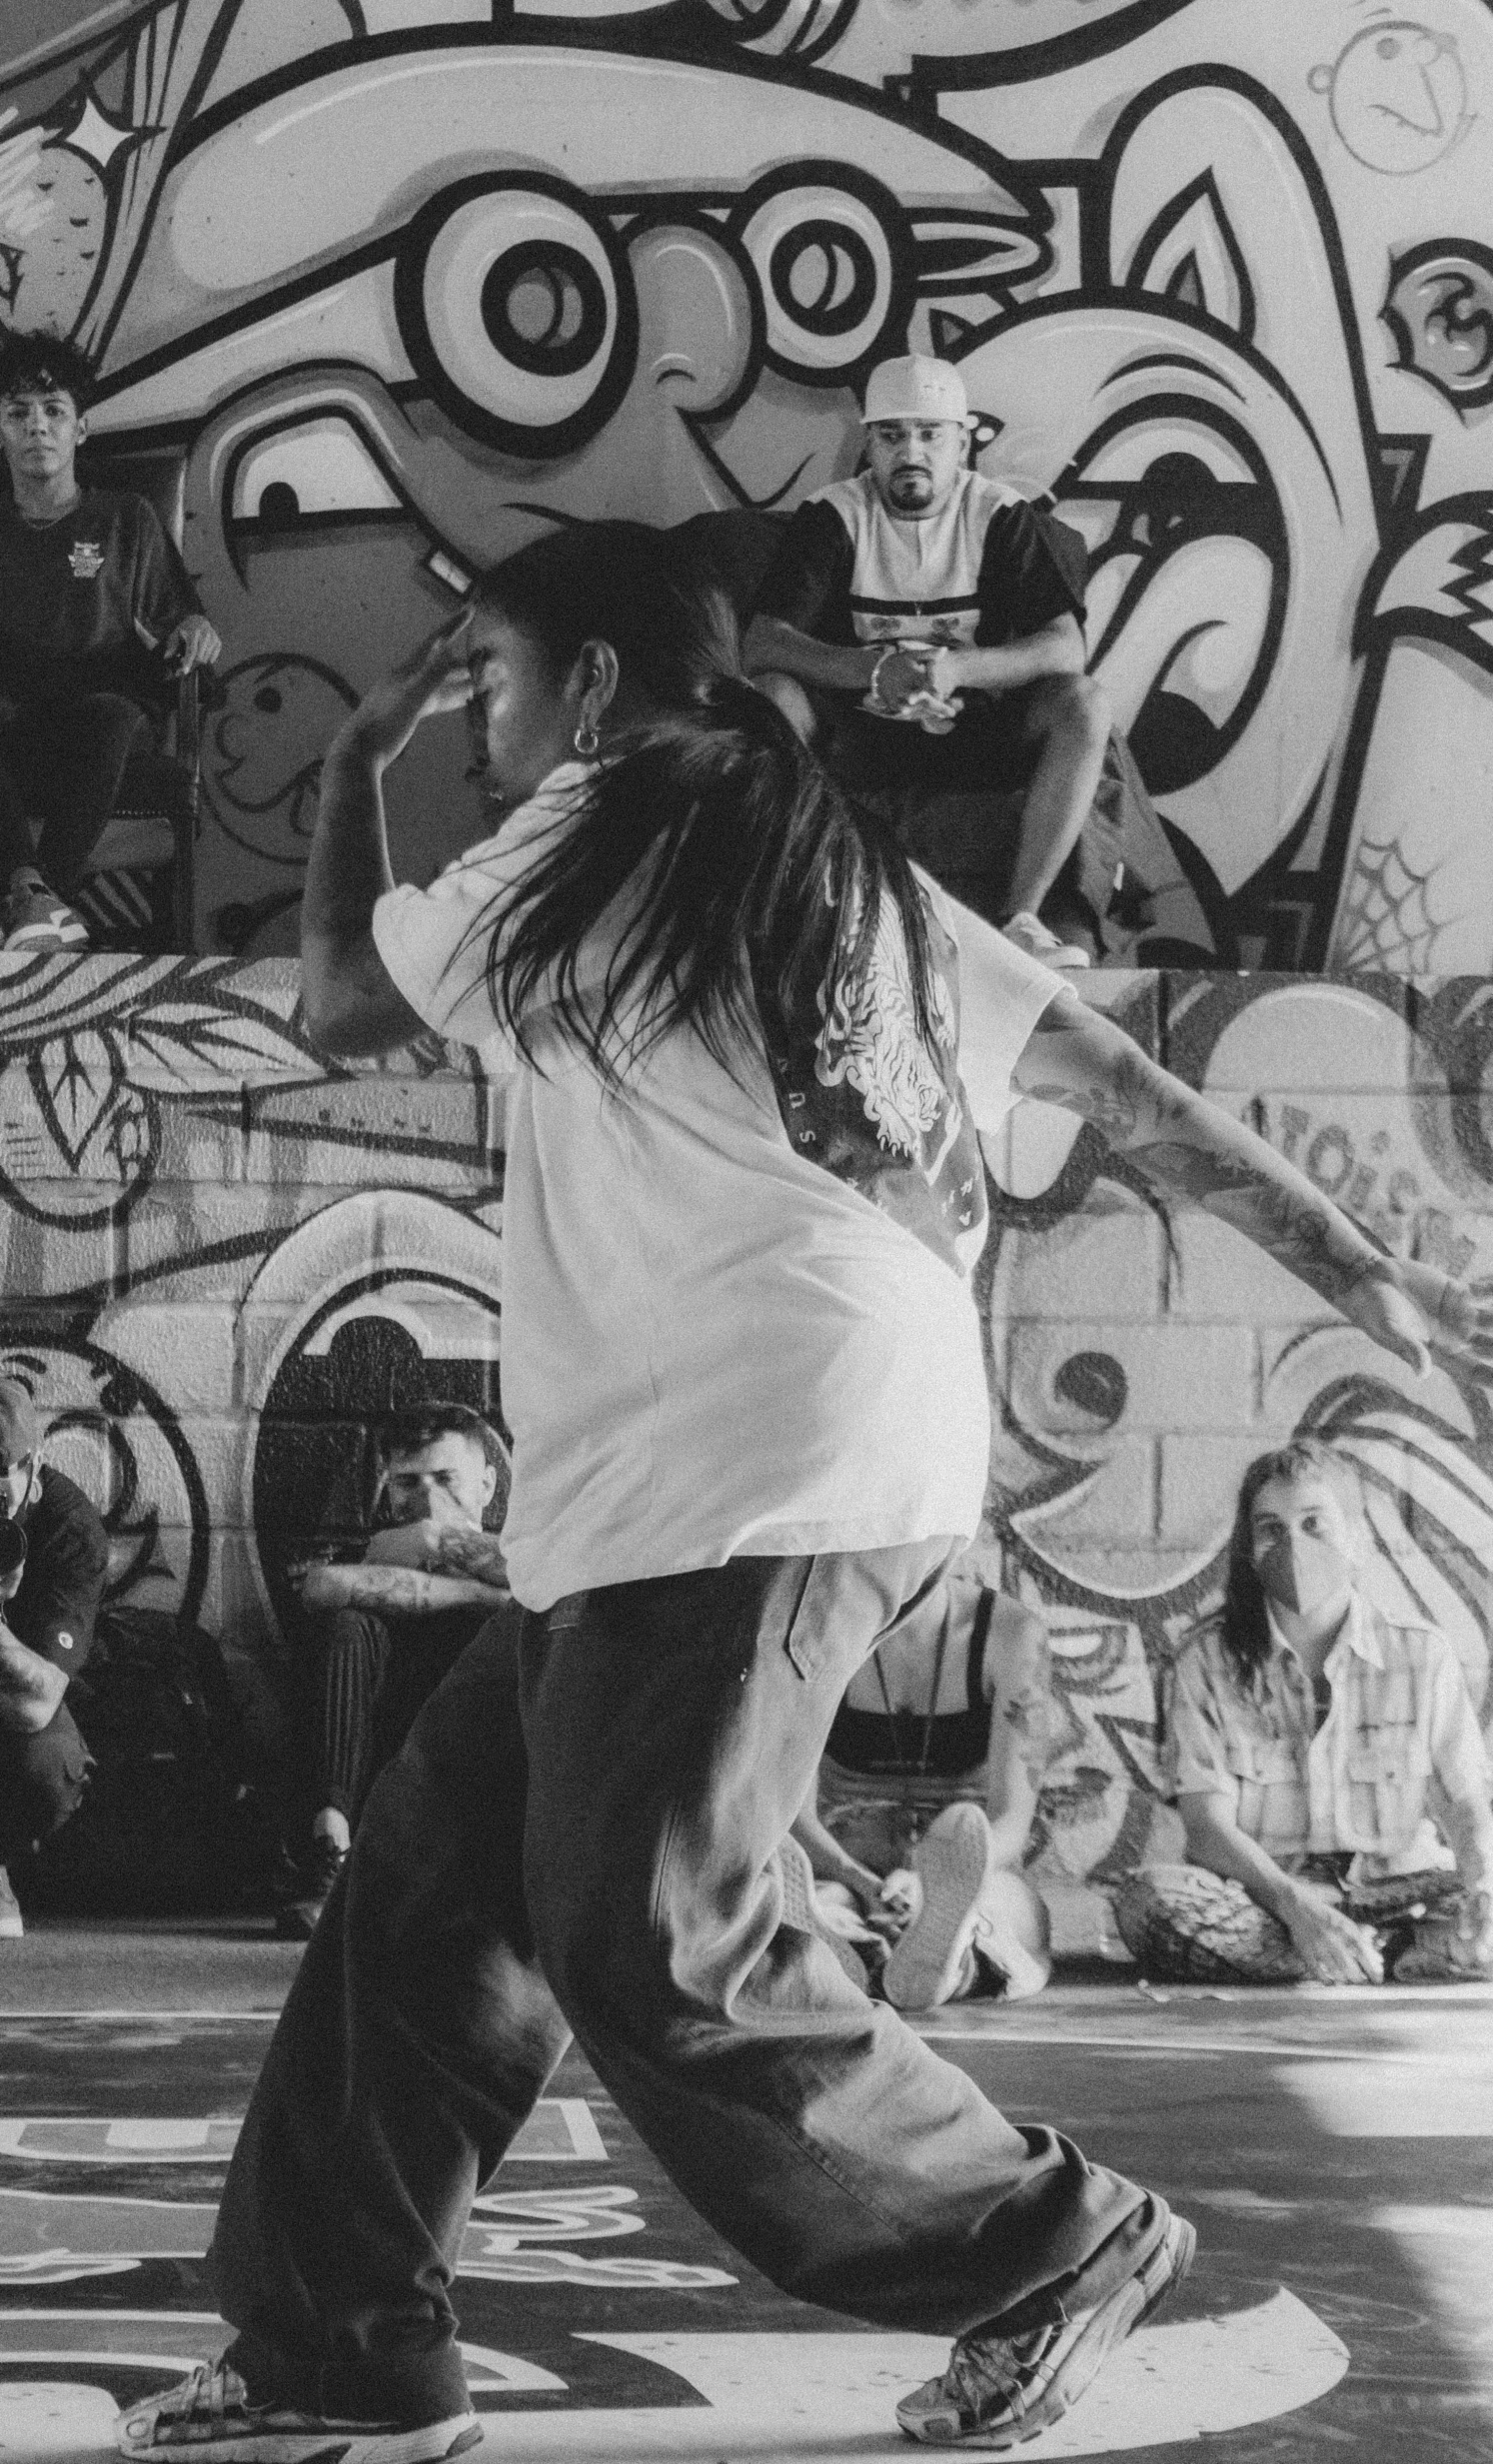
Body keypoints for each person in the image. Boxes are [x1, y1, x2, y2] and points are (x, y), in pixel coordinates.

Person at [116, 523, 1493, 2464]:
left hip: (737, 1459)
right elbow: (1134, 1088)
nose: (485, 732)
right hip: (781, 1454)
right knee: (429, 1891)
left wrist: (356, 770)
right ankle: (341, 2344)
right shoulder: (857, 871)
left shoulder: (584, 831)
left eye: (496, 684)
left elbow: (343, 997)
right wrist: (1376, 1272)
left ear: (590, 689)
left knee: (650, 1938)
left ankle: (1046, 2241)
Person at [744, 352, 1109, 969]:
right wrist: (871, 670)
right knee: (770, 695)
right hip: (861, 733)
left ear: (960, 445)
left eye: (929, 434)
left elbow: (1064, 645)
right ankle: (786, 911)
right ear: (870, 444)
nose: (910, 453)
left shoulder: (998, 515)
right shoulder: (835, 514)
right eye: (892, 436)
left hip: (976, 728)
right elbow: (762, 643)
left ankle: (1021, 919)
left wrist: (957, 668)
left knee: (1084, 700)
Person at [1115, 1439, 1493, 1987]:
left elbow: (1466, 1803)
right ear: (1249, 1548)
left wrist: (1481, 1891)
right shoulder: (1206, 1661)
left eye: (1314, 1524)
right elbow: (1206, 1829)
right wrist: (1297, 1909)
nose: (1293, 1545)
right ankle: (1390, 1957)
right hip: (1273, 1899)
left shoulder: (1422, 1654)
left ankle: (1360, 1952)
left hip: (1405, 1893)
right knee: (1148, 1901)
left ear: (1354, 1537)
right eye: (1271, 1529)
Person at [0, 329, 220, 952]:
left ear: (80, 430)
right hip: (14, 731)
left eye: (53, 412)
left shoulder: (126, 520)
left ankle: (34, 897)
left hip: (101, 731)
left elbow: (182, 620)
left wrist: (196, 627)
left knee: (115, 713)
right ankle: (38, 900)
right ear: (0, 430)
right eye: (17, 414)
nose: (37, 427)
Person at [277, 1406, 512, 1937]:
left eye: (445, 1478)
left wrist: (437, 1551)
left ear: (487, 1484)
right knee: (348, 1624)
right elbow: (321, 1587)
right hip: (378, 1757)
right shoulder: (365, 1553)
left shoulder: (523, 1552)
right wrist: (477, 1592)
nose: (426, 1498)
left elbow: (540, 1587)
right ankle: (330, 1851)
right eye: (407, 1482)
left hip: (475, 1766)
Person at [792, 1559, 1054, 2006]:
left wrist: (929, 1880)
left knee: (1004, 1910)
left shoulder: (1009, 1632)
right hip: (843, 1859)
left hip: (965, 1864)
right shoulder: (816, 1628)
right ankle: (848, 1949)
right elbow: (795, 1811)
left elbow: (1012, 1820)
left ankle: (944, 1963)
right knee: (825, 1903)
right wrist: (857, 1880)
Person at [0, 1377, 110, 1939]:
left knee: (47, 1768)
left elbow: (37, 1704)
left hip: (15, 1702)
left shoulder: (69, 1527)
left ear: (34, 1466)